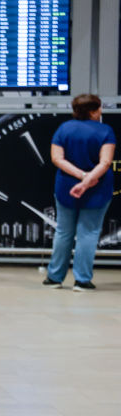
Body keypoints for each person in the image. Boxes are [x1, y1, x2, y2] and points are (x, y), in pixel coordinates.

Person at [44, 94, 116, 291]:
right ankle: (82, 280)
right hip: (98, 188)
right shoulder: (106, 131)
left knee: (63, 231)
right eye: (100, 107)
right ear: (93, 111)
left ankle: (54, 278)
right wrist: (87, 180)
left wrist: (80, 176)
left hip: (66, 187)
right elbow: (105, 162)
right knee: (89, 232)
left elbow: (57, 159)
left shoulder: (63, 129)